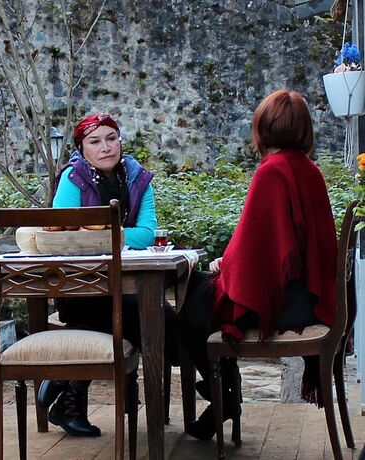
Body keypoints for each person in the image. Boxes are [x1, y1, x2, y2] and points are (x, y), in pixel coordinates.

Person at [176, 89, 338, 440]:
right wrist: (231, 263)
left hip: (288, 306)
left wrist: (226, 266)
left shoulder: (271, 172)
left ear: (263, 128)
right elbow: (271, 248)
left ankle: (224, 394)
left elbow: (255, 255)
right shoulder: (309, 170)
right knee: (199, 291)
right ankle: (224, 394)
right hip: (310, 299)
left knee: (187, 299)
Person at [37, 113, 157, 437]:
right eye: (95, 141)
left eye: (111, 138)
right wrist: (117, 235)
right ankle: (66, 388)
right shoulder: (73, 178)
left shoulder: (137, 178)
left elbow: (147, 233)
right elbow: (65, 233)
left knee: (148, 314)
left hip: (123, 287)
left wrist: (98, 233)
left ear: (120, 141)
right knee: (150, 318)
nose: (106, 147)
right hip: (77, 288)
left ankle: (66, 389)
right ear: (82, 149)